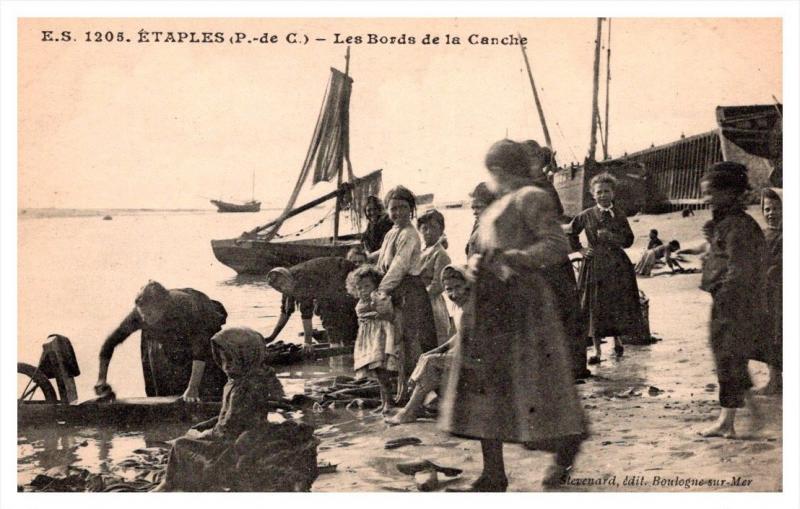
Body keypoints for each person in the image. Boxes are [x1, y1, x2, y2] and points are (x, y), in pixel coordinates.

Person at [441, 140, 587, 492]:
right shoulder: (497, 206)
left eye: (493, 172)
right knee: (483, 386)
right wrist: (477, 266)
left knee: (536, 386)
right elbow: (490, 251)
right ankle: (493, 473)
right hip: (490, 304)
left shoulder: (531, 198)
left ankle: (565, 450)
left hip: (523, 305)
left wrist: (512, 258)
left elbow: (556, 245)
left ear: (501, 171)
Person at [152, 327, 285, 491]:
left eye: (231, 360)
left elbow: (229, 426)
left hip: (234, 442)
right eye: (223, 361)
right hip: (240, 434)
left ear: (246, 357)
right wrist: (205, 425)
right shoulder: (246, 379)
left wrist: (203, 434)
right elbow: (226, 414)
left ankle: (168, 484)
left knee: (180, 444)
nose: (226, 366)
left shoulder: (243, 388)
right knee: (192, 434)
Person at [698, 162, 765, 438]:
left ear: (731, 193)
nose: (706, 198)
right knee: (730, 356)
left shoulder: (738, 226)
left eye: (711, 192)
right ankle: (751, 413)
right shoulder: (726, 223)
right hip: (728, 301)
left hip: (734, 304)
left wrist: (725, 296)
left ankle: (728, 421)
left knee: (728, 357)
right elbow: (715, 251)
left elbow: (740, 269)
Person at [95, 281, 228, 402]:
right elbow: (109, 344)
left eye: (149, 314)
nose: (145, 319)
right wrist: (102, 380)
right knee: (160, 384)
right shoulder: (140, 315)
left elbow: (200, 349)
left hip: (202, 321)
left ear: (163, 307)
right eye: (143, 314)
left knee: (207, 384)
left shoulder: (184, 308)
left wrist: (193, 388)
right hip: (164, 333)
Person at [567, 172, 644, 365]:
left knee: (617, 302)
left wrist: (613, 237)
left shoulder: (619, 214)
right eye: (599, 192)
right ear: (593, 195)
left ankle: (618, 341)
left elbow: (629, 240)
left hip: (618, 265)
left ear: (613, 193)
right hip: (595, 265)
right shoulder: (586, 215)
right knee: (595, 305)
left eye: (606, 191)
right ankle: (598, 351)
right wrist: (581, 250)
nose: (603, 195)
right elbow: (570, 233)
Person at [371, 186, 438, 402]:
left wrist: (381, 290)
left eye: (402, 208)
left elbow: (398, 267)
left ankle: (419, 394)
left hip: (410, 292)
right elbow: (382, 257)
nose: (397, 213)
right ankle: (404, 392)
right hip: (396, 291)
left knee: (412, 343)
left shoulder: (410, 234)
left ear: (411, 210)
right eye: (393, 208)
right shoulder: (392, 232)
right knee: (396, 345)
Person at [386, 264, 471, 425]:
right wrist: (436, 351)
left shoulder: (473, 309)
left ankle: (410, 411)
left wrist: (436, 356)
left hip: (481, 360)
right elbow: (460, 336)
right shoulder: (460, 308)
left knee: (431, 363)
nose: (453, 294)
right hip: (468, 356)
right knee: (427, 358)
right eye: (449, 289)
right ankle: (417, 405)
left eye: (458, 287)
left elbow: (472, 343)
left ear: (468, 285)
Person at [266, 257, 358, 351]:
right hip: (332, 279)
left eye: (283, 284)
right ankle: (344, 339)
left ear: (288, 277)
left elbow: (306, 313)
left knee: (326, 307)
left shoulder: (301, 279)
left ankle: (337, 344)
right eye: (278, 288)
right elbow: (285, 312)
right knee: (325, 306)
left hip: (343, 272)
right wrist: (272, 337)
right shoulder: (288, 284)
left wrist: (307, 342)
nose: (283, 288)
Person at [347, 265, 398, 414]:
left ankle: (389, 402)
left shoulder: (377, 297)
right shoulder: (360, 302)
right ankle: (384, 402)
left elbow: (390, 315)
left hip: (379, 336)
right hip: (367, 337)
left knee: (382, 371)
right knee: (376, 371)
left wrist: (380, 315)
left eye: (367, 286)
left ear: (375, 285)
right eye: (359, 287)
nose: (363, 290)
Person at [753, 187, 782, 395]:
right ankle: (775, 379)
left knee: (781, 334)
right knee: (771, 335)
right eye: (767, 209)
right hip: (767, 294)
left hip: (781, 292)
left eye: (776, 208)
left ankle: (776, 381)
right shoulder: (763, 234)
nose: (771, 213)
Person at [416, 209, 452, 346]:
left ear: (441, 230)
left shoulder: (441, 254)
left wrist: (420, 300)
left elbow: (438, 285)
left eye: (433, 228)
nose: (428, 232)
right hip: (418, 301)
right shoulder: (421, 251)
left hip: (430, 304)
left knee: (433, 340)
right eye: (424, 228)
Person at [522, 139, 565, 218]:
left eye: (538, 154)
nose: (536, 158)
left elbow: (558, 214)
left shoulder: (547, 186)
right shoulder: (520, 184)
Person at [466, 182, 496, 258]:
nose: (474, 213)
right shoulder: (478, 226)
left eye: (478, 207)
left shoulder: (497, 232)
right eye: (473, 208)